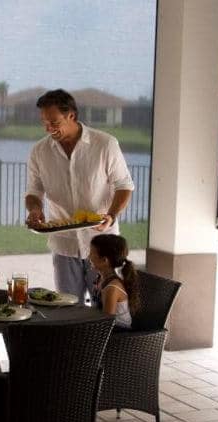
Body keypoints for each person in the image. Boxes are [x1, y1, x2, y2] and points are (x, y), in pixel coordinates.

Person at [25, 89, 135, 301]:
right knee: (67, 309)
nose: (48, 128)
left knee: (103, 308)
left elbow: (124, 185)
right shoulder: (39, 151)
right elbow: (33, 191)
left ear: (71, 116)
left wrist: (111, 215)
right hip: (63, 244)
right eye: (44, 122)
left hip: (102, 243)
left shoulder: (105, 144)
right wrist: (35, 209)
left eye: (54, 122)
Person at [89, 234, 140, 329]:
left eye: (91, 253)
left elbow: (106, 325)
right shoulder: (100, 278)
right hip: (104, 328)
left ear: (104, 260)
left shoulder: (112, 288)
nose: (88, 257)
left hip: (118, 335)